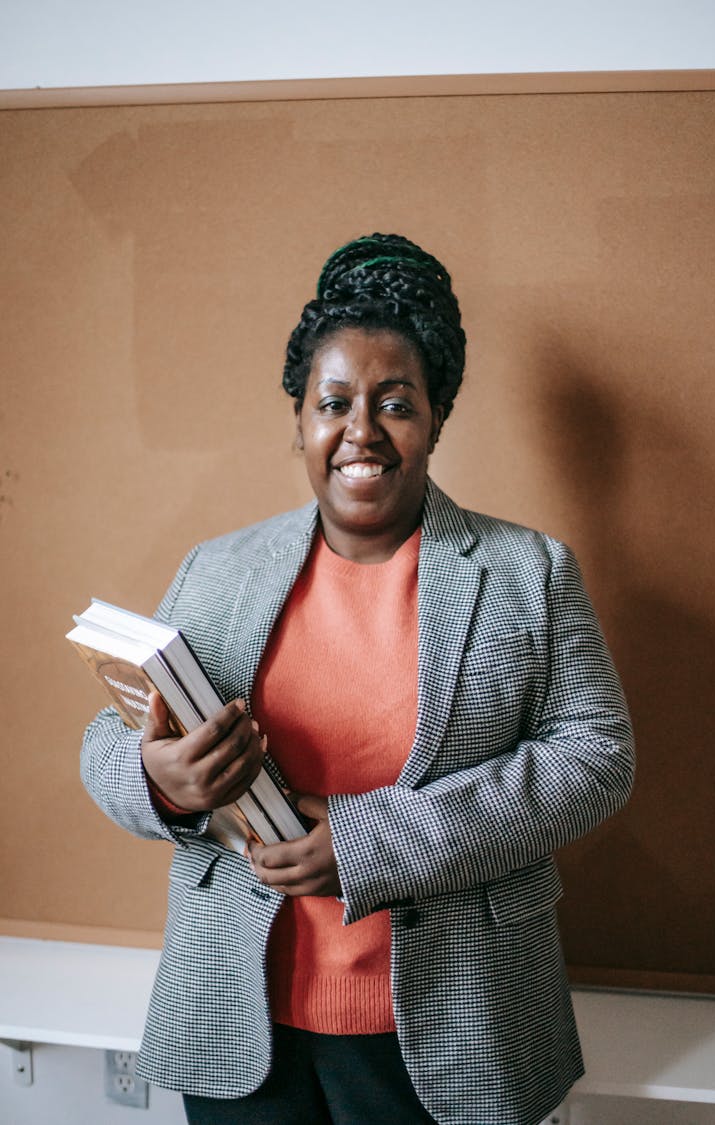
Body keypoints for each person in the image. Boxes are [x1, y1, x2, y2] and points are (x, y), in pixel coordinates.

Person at [81, 233, 635, 1125]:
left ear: (437, 417)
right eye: (332, 402)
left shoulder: (528, 571)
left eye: (396, 403)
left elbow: (597, 758)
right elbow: (109, 735)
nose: (360, 432)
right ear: (298, 418)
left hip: (454, 1029)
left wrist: (373, 841)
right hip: (238, 1022)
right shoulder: (217, 569)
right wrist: (158, 779)